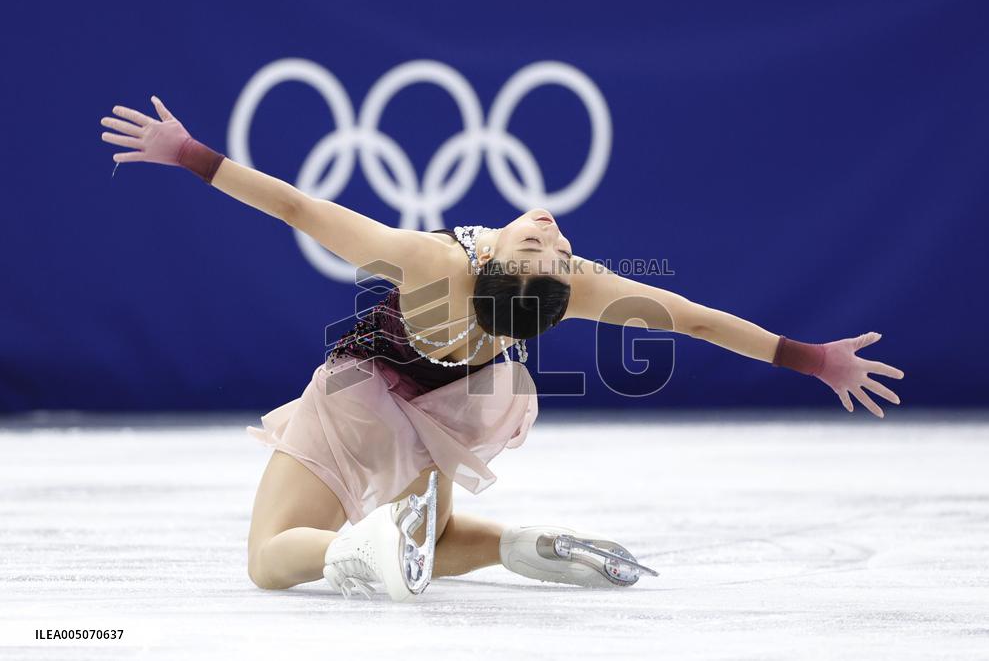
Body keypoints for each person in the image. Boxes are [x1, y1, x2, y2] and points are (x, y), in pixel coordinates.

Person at [100, 96, 904, 601]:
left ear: (493, 262)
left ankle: (355, 546)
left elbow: (297, 207)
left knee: (270, 558)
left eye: (546, 252)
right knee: (436, 539)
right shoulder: (575, 285)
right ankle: (523, 546)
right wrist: (811, 358)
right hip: (461, 403)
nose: (551, 238)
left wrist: (191, 156)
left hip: (365, 396)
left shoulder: (430, 260)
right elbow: (692, 319)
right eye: (549, 253)